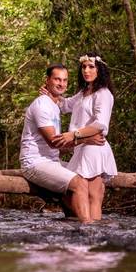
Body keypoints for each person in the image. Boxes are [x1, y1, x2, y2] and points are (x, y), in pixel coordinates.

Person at [20, 64, 105, 223]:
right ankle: (89, 227)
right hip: (34, 163)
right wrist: (86, 139)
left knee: (87, 176)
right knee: (79, 183)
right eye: (57, 79)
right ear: (47, 80)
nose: (61, 83)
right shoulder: (42, 105)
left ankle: (76, 219)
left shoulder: (54, 105)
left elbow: (60, 146)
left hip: (52, 161)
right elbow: (54, 143)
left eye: (65, 80)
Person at [50, 53, 117, 222]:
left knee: (93, 196)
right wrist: (51, 93)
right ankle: (86, 231)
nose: (86, 70)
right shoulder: (83, 92)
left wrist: (74, 135)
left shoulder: (103, 93)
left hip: (94, 148)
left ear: (100, 69)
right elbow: (65, 106)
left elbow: (100, 124)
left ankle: (92, 235)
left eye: (91, 67)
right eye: (84, 67)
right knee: (81, 192)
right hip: (82, 147)